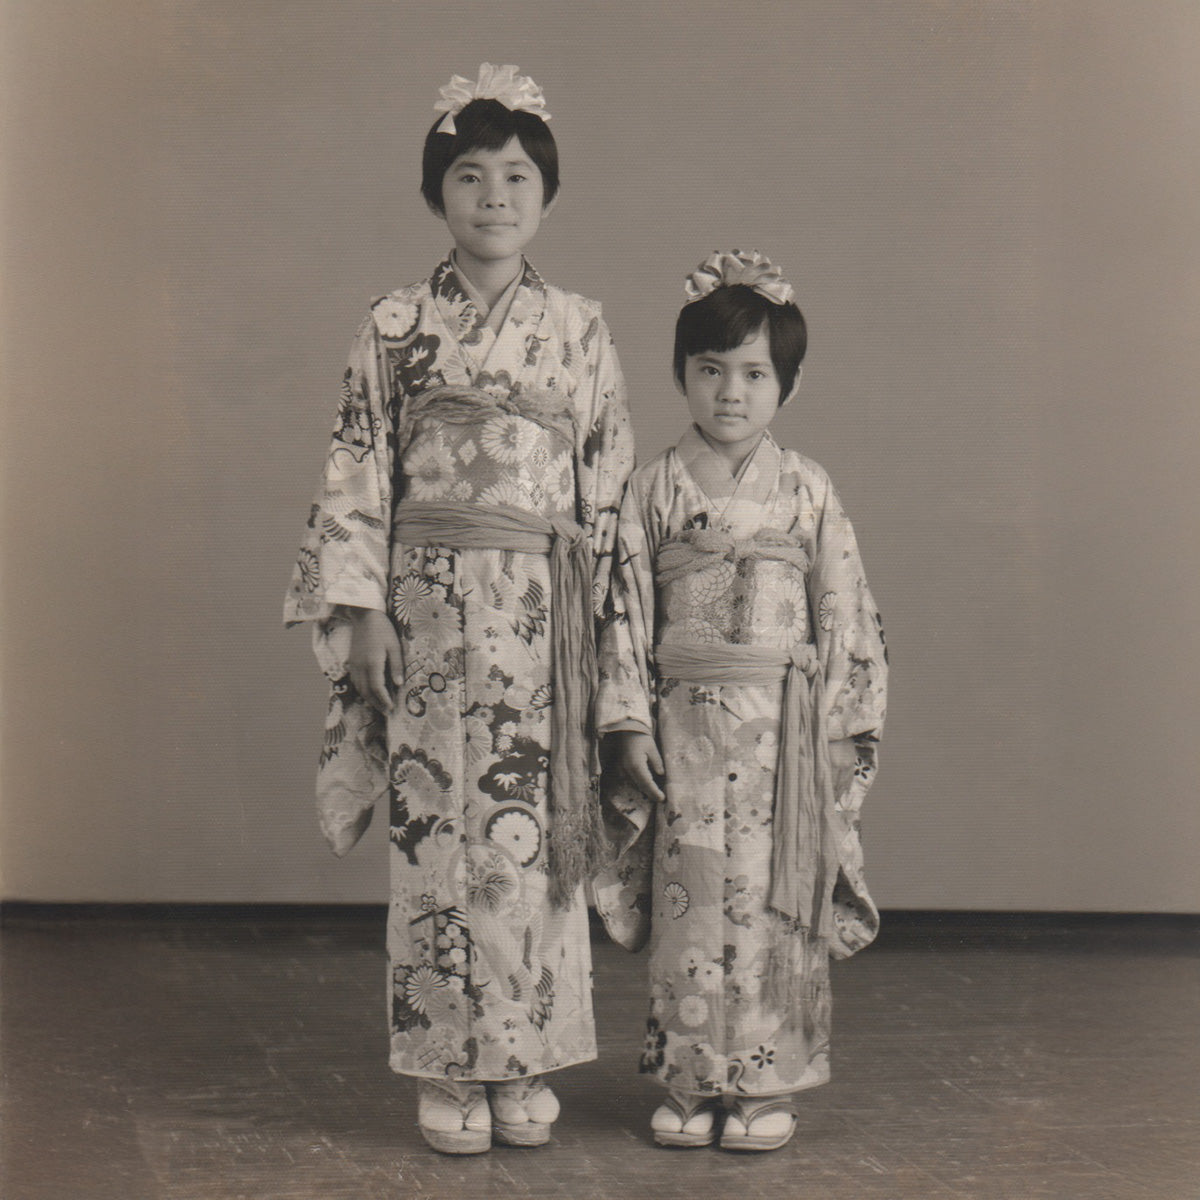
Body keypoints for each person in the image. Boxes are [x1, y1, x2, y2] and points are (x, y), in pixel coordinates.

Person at [283, 64, 634, 1155]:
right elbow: (356, 470)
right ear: (439, 192)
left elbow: (607, 495)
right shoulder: (394, 324)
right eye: (471, 175)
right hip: (426, 611)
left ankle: (523, 1059)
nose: (495, 196)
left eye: (518, 175)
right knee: (440, 836)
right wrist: (366, 611)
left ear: (548, 193)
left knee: (537, 843)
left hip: (543, 616)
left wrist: (609, 650)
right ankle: (447, 1069)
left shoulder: (578, 330)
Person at [592, 251, 887, 1152]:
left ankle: (763, 1085)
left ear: (786, 388)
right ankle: (689, 1079)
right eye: (710, 370)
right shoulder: (651, 488)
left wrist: (841, 726)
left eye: (755, 373)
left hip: (782, 738)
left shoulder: (809, 490)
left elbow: (846, 614)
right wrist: (627, 721)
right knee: (692, 894)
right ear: (682, 374)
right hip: (681, 725)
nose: (730, 392)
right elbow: (622, 609)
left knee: (772, 901)